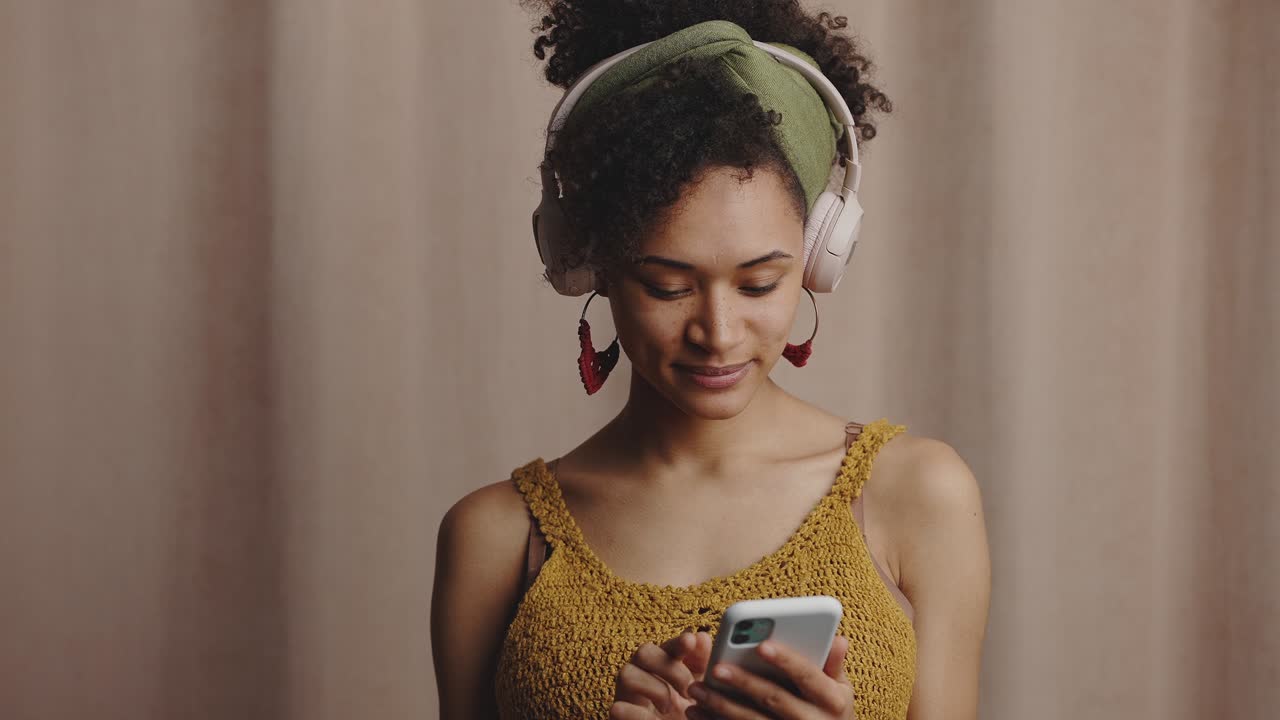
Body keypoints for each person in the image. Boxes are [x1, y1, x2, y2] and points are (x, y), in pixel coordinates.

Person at [432, 3, 990, 719]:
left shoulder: (919, 495)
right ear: (590, 265)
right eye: (666, 285)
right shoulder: (497, 535)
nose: (719, 333)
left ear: (820, 257)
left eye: (760, 283)